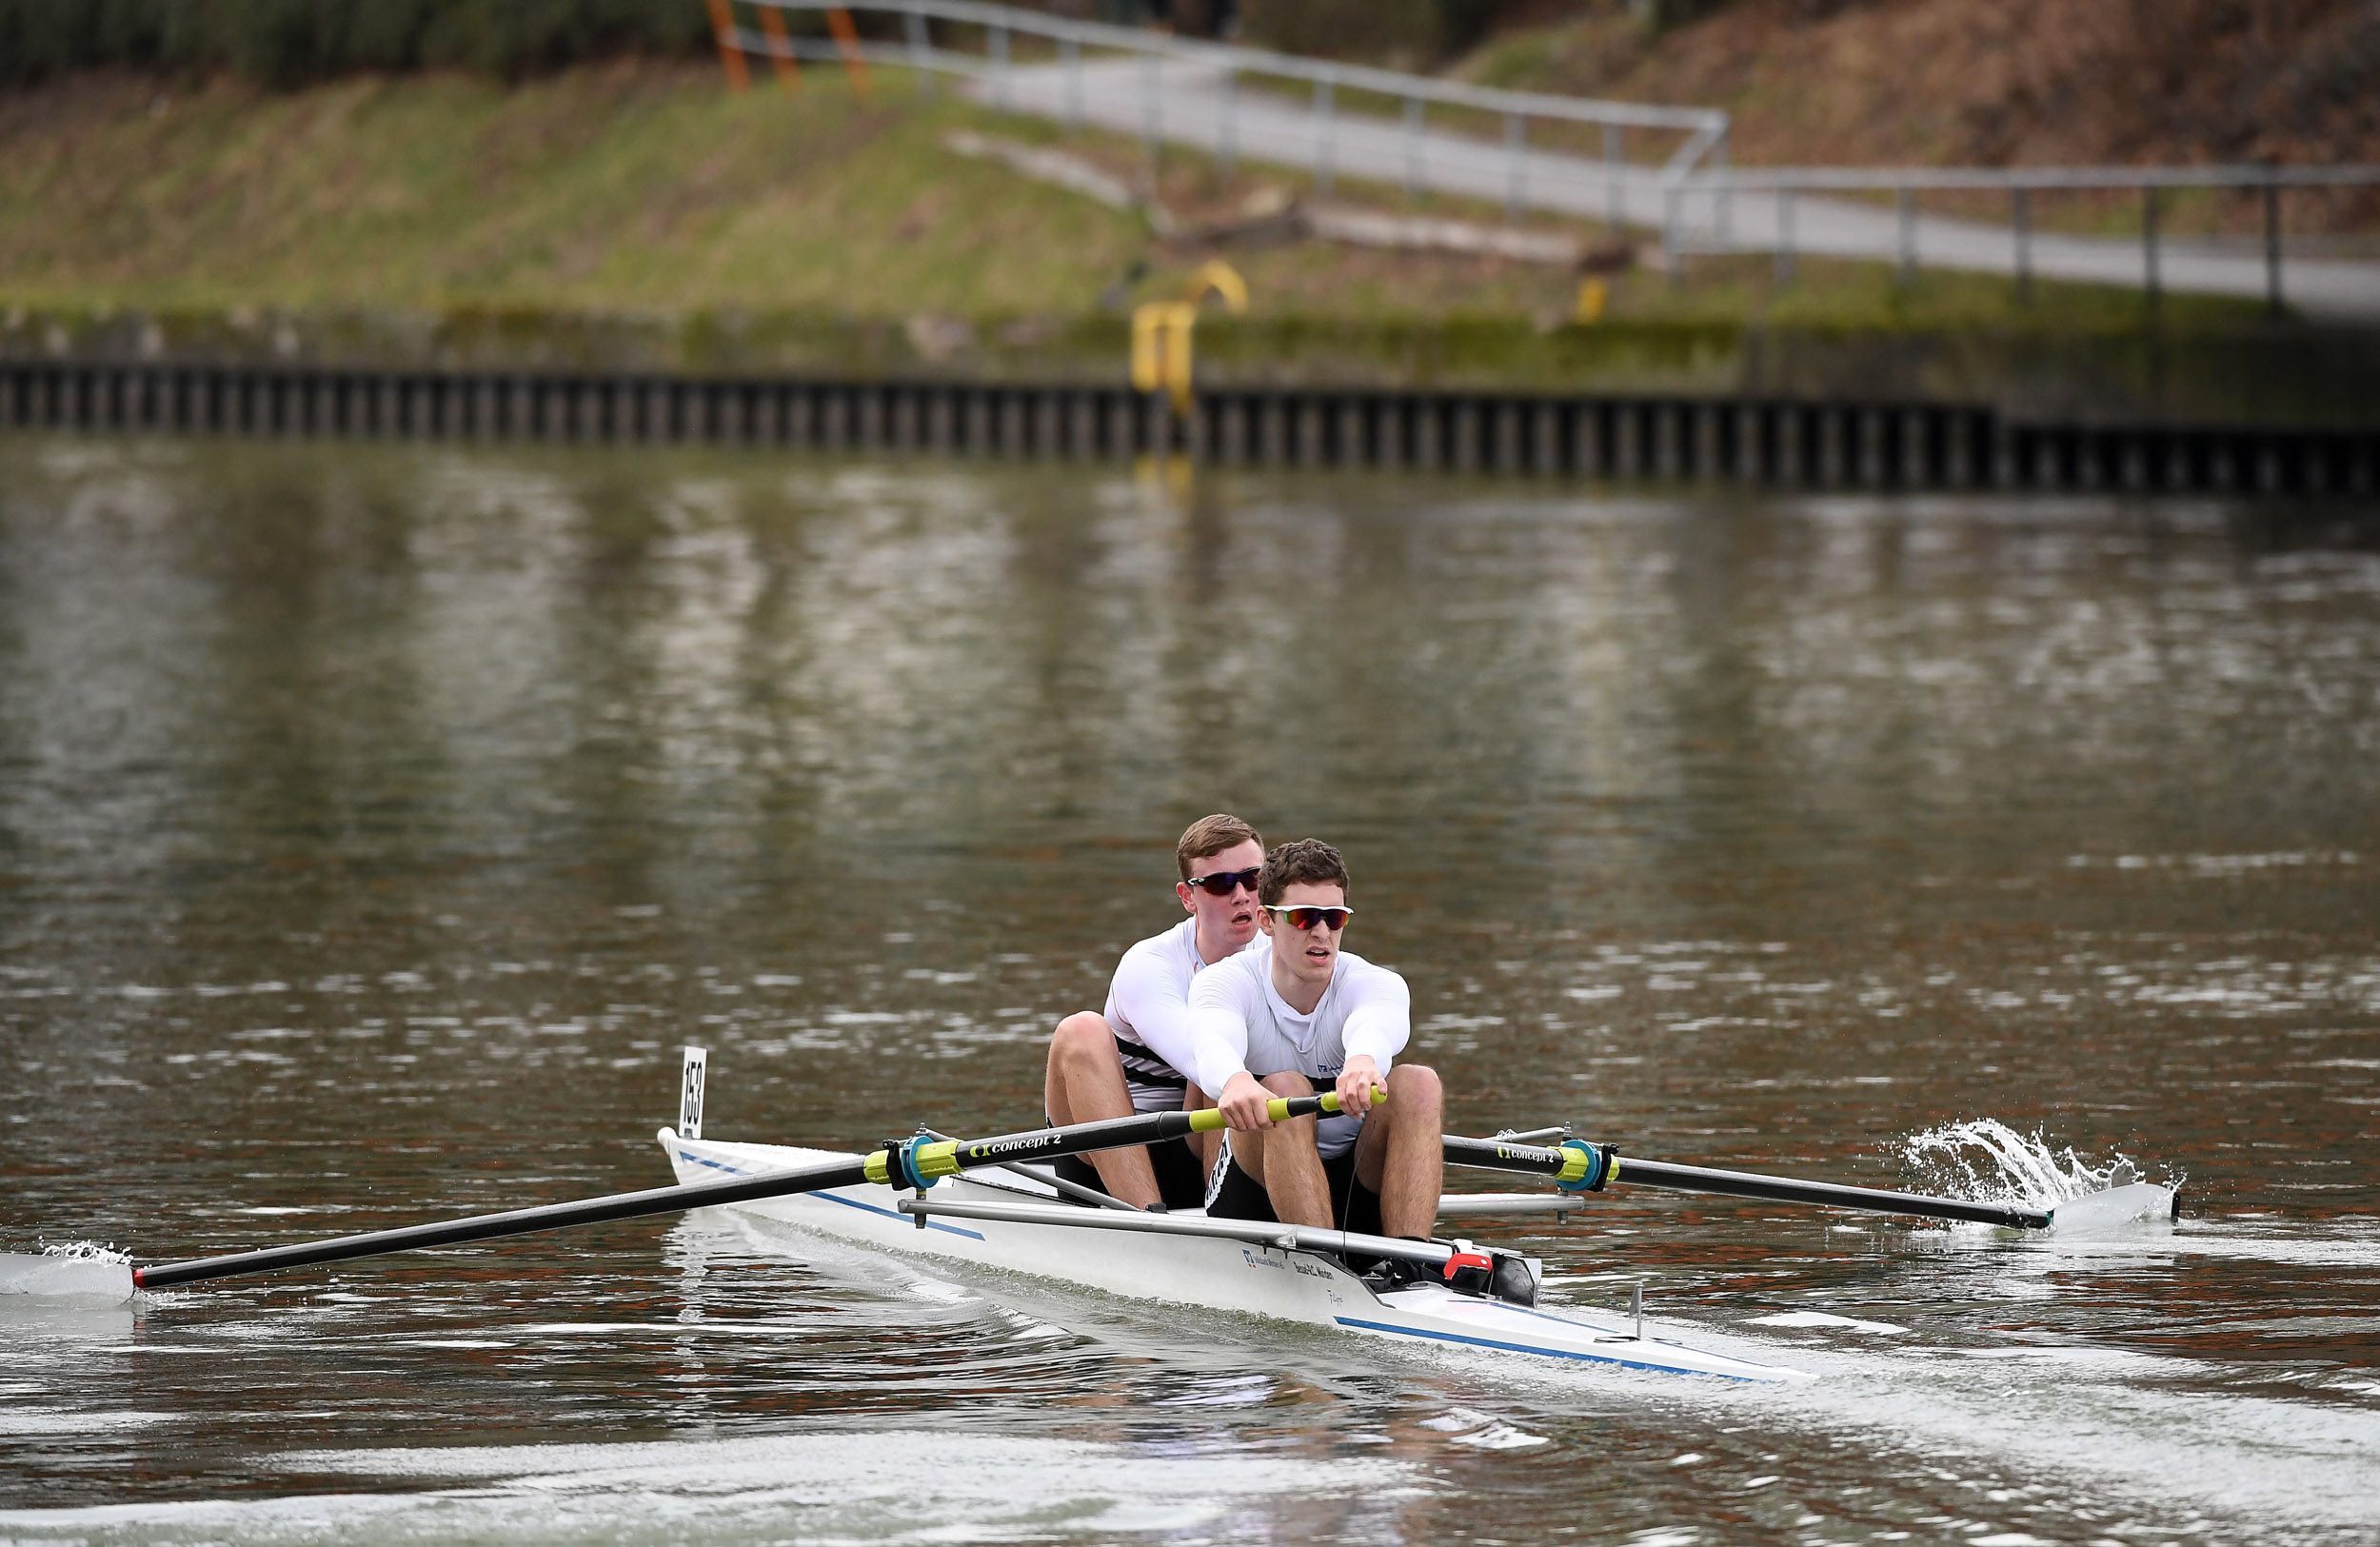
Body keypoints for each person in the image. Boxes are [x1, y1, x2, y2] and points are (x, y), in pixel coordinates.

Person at [1182, 839, 1443, 1254]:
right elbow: (1212, 1042)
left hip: (1353, 1183)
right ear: (1266, 921)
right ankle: (1324, 1266)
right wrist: (1233, 1081)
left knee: (1419, 1083)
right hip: (1254, 1192)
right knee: (1285, 1087)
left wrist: (1361, 1062)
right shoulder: (1224, 982)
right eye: (1304, 917)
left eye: (1334, 918)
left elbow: (1376, 1026)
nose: (1321, 931)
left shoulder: (1374, 983)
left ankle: (1412, 1258)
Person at [1041, 813, 1266, 1210]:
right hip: (1114, 1155)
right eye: (1219, 884)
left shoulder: (1280, 953)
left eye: (1253, 879)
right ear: (1187, 896)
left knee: (1227, 1044)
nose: (1241, 895)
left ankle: (1230, 1216)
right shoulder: (1149, 964)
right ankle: (1146, 1218)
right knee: (1082, 1030)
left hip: (1207, 1148)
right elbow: (1199, 1058)